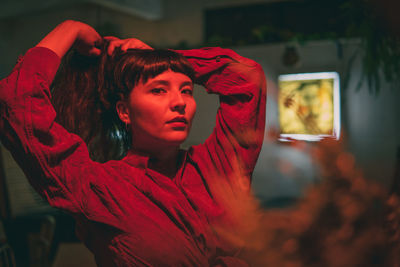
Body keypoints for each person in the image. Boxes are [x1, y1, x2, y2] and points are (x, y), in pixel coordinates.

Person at [0, 20, 266, 266]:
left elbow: (246, 78)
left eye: (186, 90)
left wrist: (158, 57)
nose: (180, 102)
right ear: (124, 111)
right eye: (158, 90)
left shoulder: (218, 167)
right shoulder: (99, 187)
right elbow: (18, 105)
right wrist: (71, 29)